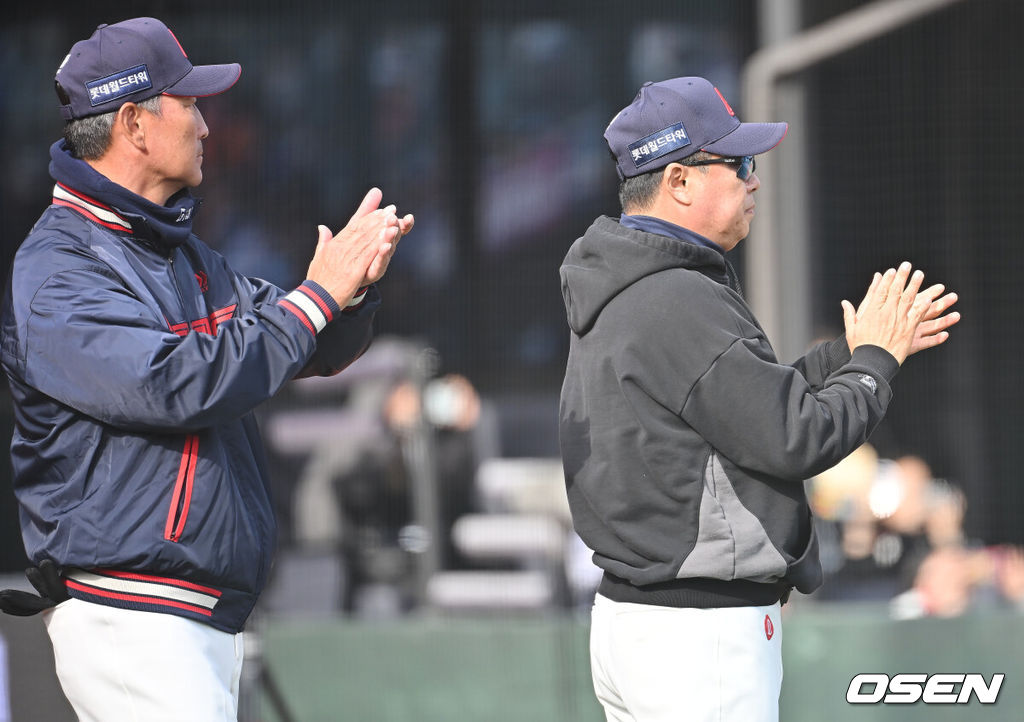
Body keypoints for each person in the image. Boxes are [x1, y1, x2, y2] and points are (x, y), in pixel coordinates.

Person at [0, 17, 413, 721]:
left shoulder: (177, 253)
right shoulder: (57, 269)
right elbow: (173, 383)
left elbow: (294, 341)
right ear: (133, 123)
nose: (206, 126)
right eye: (188, 103)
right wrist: (316, 298)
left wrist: (350, 292)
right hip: (127, 613)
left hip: (187, 617)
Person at [557, 76, 960, 722]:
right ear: (680, 181)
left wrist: (848, 353)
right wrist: (876, 362)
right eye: (738, 162)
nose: (755, 179)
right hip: (697, 638)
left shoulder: (629, 280)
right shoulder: (674, 296)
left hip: (641, 624)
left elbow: (742, 406)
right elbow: (797, 435)